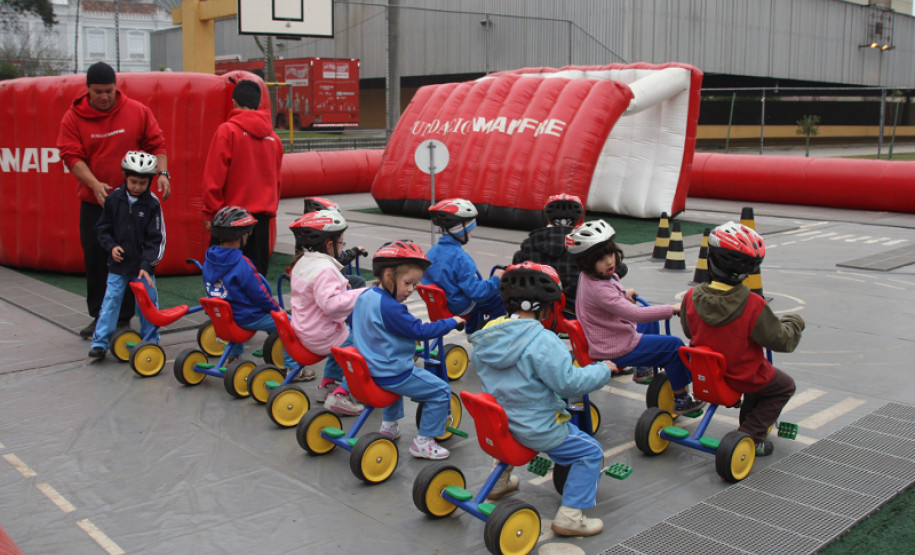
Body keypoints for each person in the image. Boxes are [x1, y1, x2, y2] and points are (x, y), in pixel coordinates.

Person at [470, 261, 614, 537]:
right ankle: (571, 516)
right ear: (547, 306)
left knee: (510, 411)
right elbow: (569, 383)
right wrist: (602, 370)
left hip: (500, 426)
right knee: (590, 451)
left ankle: (500, 482)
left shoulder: (488, 334)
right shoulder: (545, 340)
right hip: (537, 429)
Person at [57, 61, 170, 339]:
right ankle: (98, 317)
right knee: (96, 259)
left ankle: (124, 320)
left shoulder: (137, 111)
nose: (105, 96)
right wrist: (94, 184)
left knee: (131, 259)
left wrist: (163, 173)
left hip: (132, 207)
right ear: (87, 90)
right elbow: (71, 156)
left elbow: (157, 145)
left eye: (109, 90)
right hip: (95, 203)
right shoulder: (73, 118)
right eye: (98, 92)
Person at [680, 222, 803, 456]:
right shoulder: (753, 304)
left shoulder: (691, 296)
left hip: (705, 376)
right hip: (741, 377)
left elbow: (689, 331)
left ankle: (748, 423)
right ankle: (751, 434)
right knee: (783, 386)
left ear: (711, 260)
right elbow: (781, 341)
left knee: (761, 378)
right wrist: (795, 322)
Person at [568, 220, 705, 414]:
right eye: (601, 259)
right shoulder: (599, 288)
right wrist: (673, 308)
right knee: (674, 346)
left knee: (649, 325)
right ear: (586, 263)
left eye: (610, 254)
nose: (609, 261)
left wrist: (623, 295)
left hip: (608, 336)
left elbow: (606, 302)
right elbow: (635, 314)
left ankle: (642, 369)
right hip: (613, 347)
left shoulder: (592, 276)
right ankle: (682, 399)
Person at [351, 240, 463, 460]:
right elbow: (419, 330)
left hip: (370, 369)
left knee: (396, 383)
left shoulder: (365, 296)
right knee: (440, 391)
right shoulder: (391, 308)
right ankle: (424, 442)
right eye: (408, 283)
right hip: (392, 373)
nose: (411, 290)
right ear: (388, 276)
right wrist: (452, 322)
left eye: (415, 284)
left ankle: (389, 426)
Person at [87, 151, 166, 359]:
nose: (137, 187)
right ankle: (100, 343)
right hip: (118, 265)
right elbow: (103, 228)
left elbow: (157, 240)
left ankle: (150, 341)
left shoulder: (152, 204)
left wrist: (147, 266)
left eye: (142, 182)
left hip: (142, 269)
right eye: (133, 182)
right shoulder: (114, 199)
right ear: (125, 177)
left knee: (148, 303)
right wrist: (111, 246)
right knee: (111, 301)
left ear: (149, 181)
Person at [203, 206, 299, 375]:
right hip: (247, 317)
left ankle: (234, 356)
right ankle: (291, 368)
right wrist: (277, 310)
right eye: (247, 233)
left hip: (225, 317)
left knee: (233, 301)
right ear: (240, 236)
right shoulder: (242, 263)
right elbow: (259, 294)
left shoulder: (209, 258)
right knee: (288, 322)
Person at [202, 79, 284, 276]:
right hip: (261, 222)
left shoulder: (227, 131)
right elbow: (277, 181)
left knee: (222, 282)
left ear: (234, 103)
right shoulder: (274, 139)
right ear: (258, 104)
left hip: (230, 222)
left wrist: (210, 212)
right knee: (256, 281)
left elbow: (213, 176)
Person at [288, 209, 366, 416]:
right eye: (341, 242)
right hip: (321, 336)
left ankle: (327, 385)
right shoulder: (325, 269)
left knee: (343, 336)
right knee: (364, 348)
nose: (343, 246)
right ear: (329, 244)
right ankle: (341, 395)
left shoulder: (303, 262)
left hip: (306, 329)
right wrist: (362, 293)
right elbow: (331, 305)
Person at [513, 194, 627, 317]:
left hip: (539, 312)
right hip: (579, 313)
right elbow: (619, 269)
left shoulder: (530, 244)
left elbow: (515, 271)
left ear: (549, 218)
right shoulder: (587, 246)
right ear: (578, 218)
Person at [422, 198, 505, 332]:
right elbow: (477, 293)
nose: (472, 233)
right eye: (471, 228)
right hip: (459, 305)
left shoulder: (431, 253)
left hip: (443, 303)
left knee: (479, 296)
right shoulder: (461, 258)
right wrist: (496, 279)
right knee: (498, 299)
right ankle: (490, 333)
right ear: (460, 229)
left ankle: (472, 331)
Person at [302, 196, 368, 289]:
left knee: (355, 278)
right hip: (325, 283)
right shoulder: (320, 248)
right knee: (352, 277)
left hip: (320, 281)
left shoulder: (306, 236)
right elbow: (338, 260)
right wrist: (354, 252)